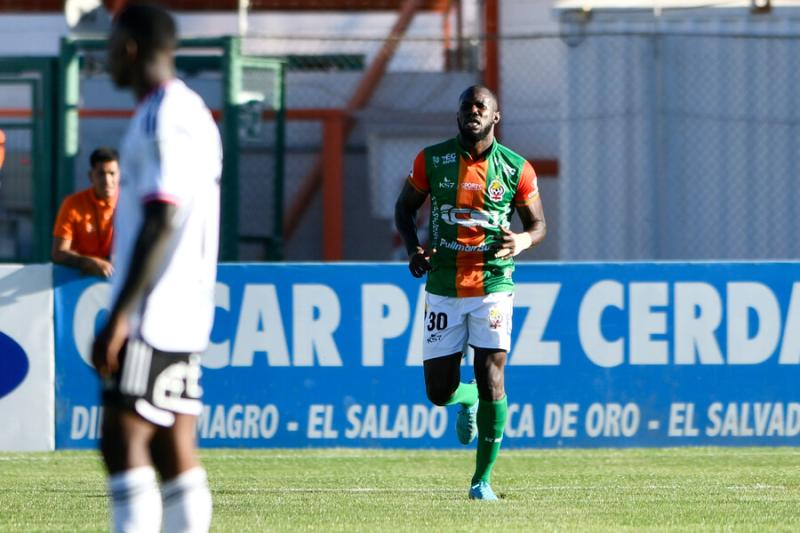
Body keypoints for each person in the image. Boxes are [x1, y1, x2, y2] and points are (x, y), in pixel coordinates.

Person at [91, 3, 221, 532]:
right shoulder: (190, 110)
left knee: (122, 439)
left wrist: (121, 314)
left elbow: (162, 215)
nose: (106, 60)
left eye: (109, 48)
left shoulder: (161, 115)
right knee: (171, 445)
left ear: (128, 49)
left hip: (156, 308)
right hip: (183, 304)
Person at [394, 85, 546, 501]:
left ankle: (482, 481)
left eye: (482, 106)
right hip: (444, 284)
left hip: (494, 284)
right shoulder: (432, 160)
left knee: (491, 377)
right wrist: (413, 249)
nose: (473, 110)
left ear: (496, 116)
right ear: (458, 116)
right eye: (467, 106)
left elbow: (538, 226)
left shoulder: (517, 168)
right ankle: (464, 402)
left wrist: (522, 242)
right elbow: (404, 208)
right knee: (438, 391)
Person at [52, 147, 120, 277]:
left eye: (112, 173)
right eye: (101, 173)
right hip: (77, 281)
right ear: (91, 176)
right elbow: (58, 253)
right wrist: (88, 262)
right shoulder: (72, 204)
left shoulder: (131, 202)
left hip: (120, 280)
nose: (107, 180)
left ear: (120, 175)